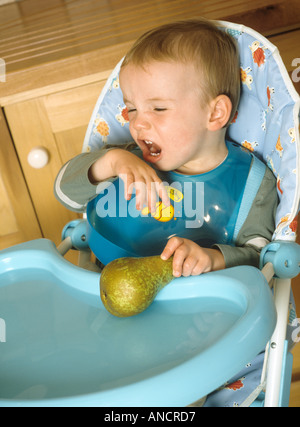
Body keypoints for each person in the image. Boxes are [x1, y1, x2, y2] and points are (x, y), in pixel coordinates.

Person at [54, 18, 278, 278]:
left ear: (215, 113)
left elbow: (262, 260)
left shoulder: (253, 184)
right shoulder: (126, 162)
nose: (137, 123)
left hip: (206, 308)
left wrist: (213, 258)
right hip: (113, 293)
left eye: (158, 108)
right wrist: (112, 162)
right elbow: (64, 192)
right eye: (132, 109)